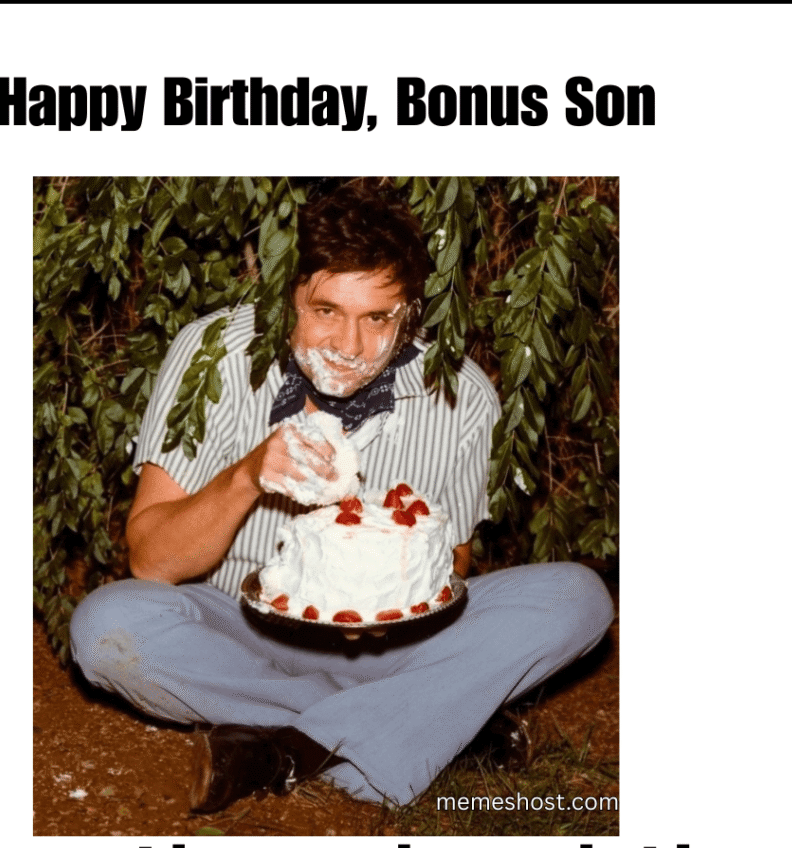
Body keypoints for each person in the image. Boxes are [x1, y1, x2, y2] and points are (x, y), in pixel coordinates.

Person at [70, 181, 614, 814]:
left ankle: (288, 750)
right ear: (284, 294)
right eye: (325, 310)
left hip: (392, 648)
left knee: (578, 597)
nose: (350, 346)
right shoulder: (211, 356)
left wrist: (388, 604)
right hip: (237, 636)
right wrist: (247, 475)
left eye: (377, 317)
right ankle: (429, 722)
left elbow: (454, 563)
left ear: (410, 310)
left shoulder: (461, 396)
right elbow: (153, 561)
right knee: (108, 627)